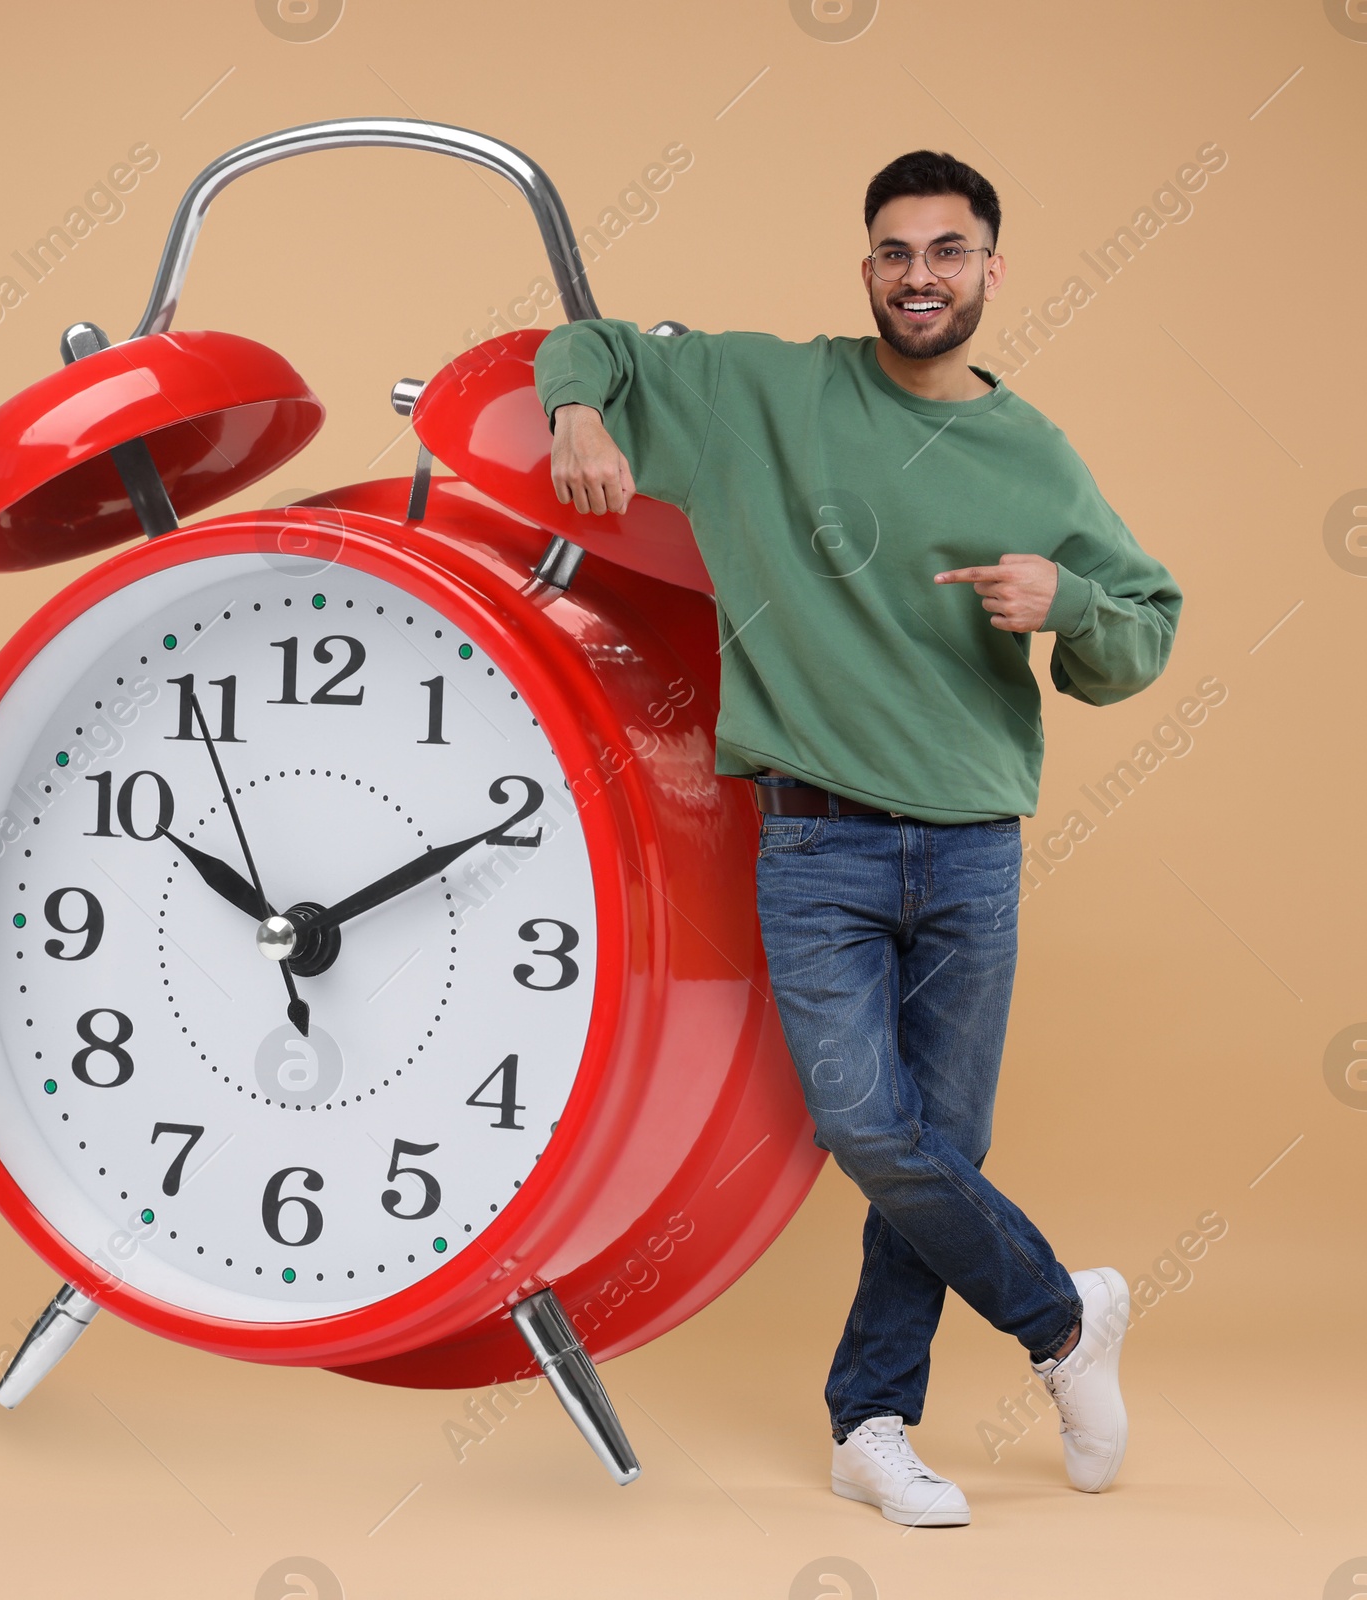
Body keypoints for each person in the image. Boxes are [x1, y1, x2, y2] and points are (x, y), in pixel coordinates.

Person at [534, 149, 1181, 1528]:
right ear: (866, 267)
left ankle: (870, 1426)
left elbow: (1142, 633)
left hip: (971, 854)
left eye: (949, 252)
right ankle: (1068, 1320)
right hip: (814, 845)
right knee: (867, 1126)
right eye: (895, 251)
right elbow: (592, 342)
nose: (920, 275)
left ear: (991, 272)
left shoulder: (1033, 452)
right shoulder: (769, 393)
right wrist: (582, 410)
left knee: (936, 1143)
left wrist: (1066, 596)